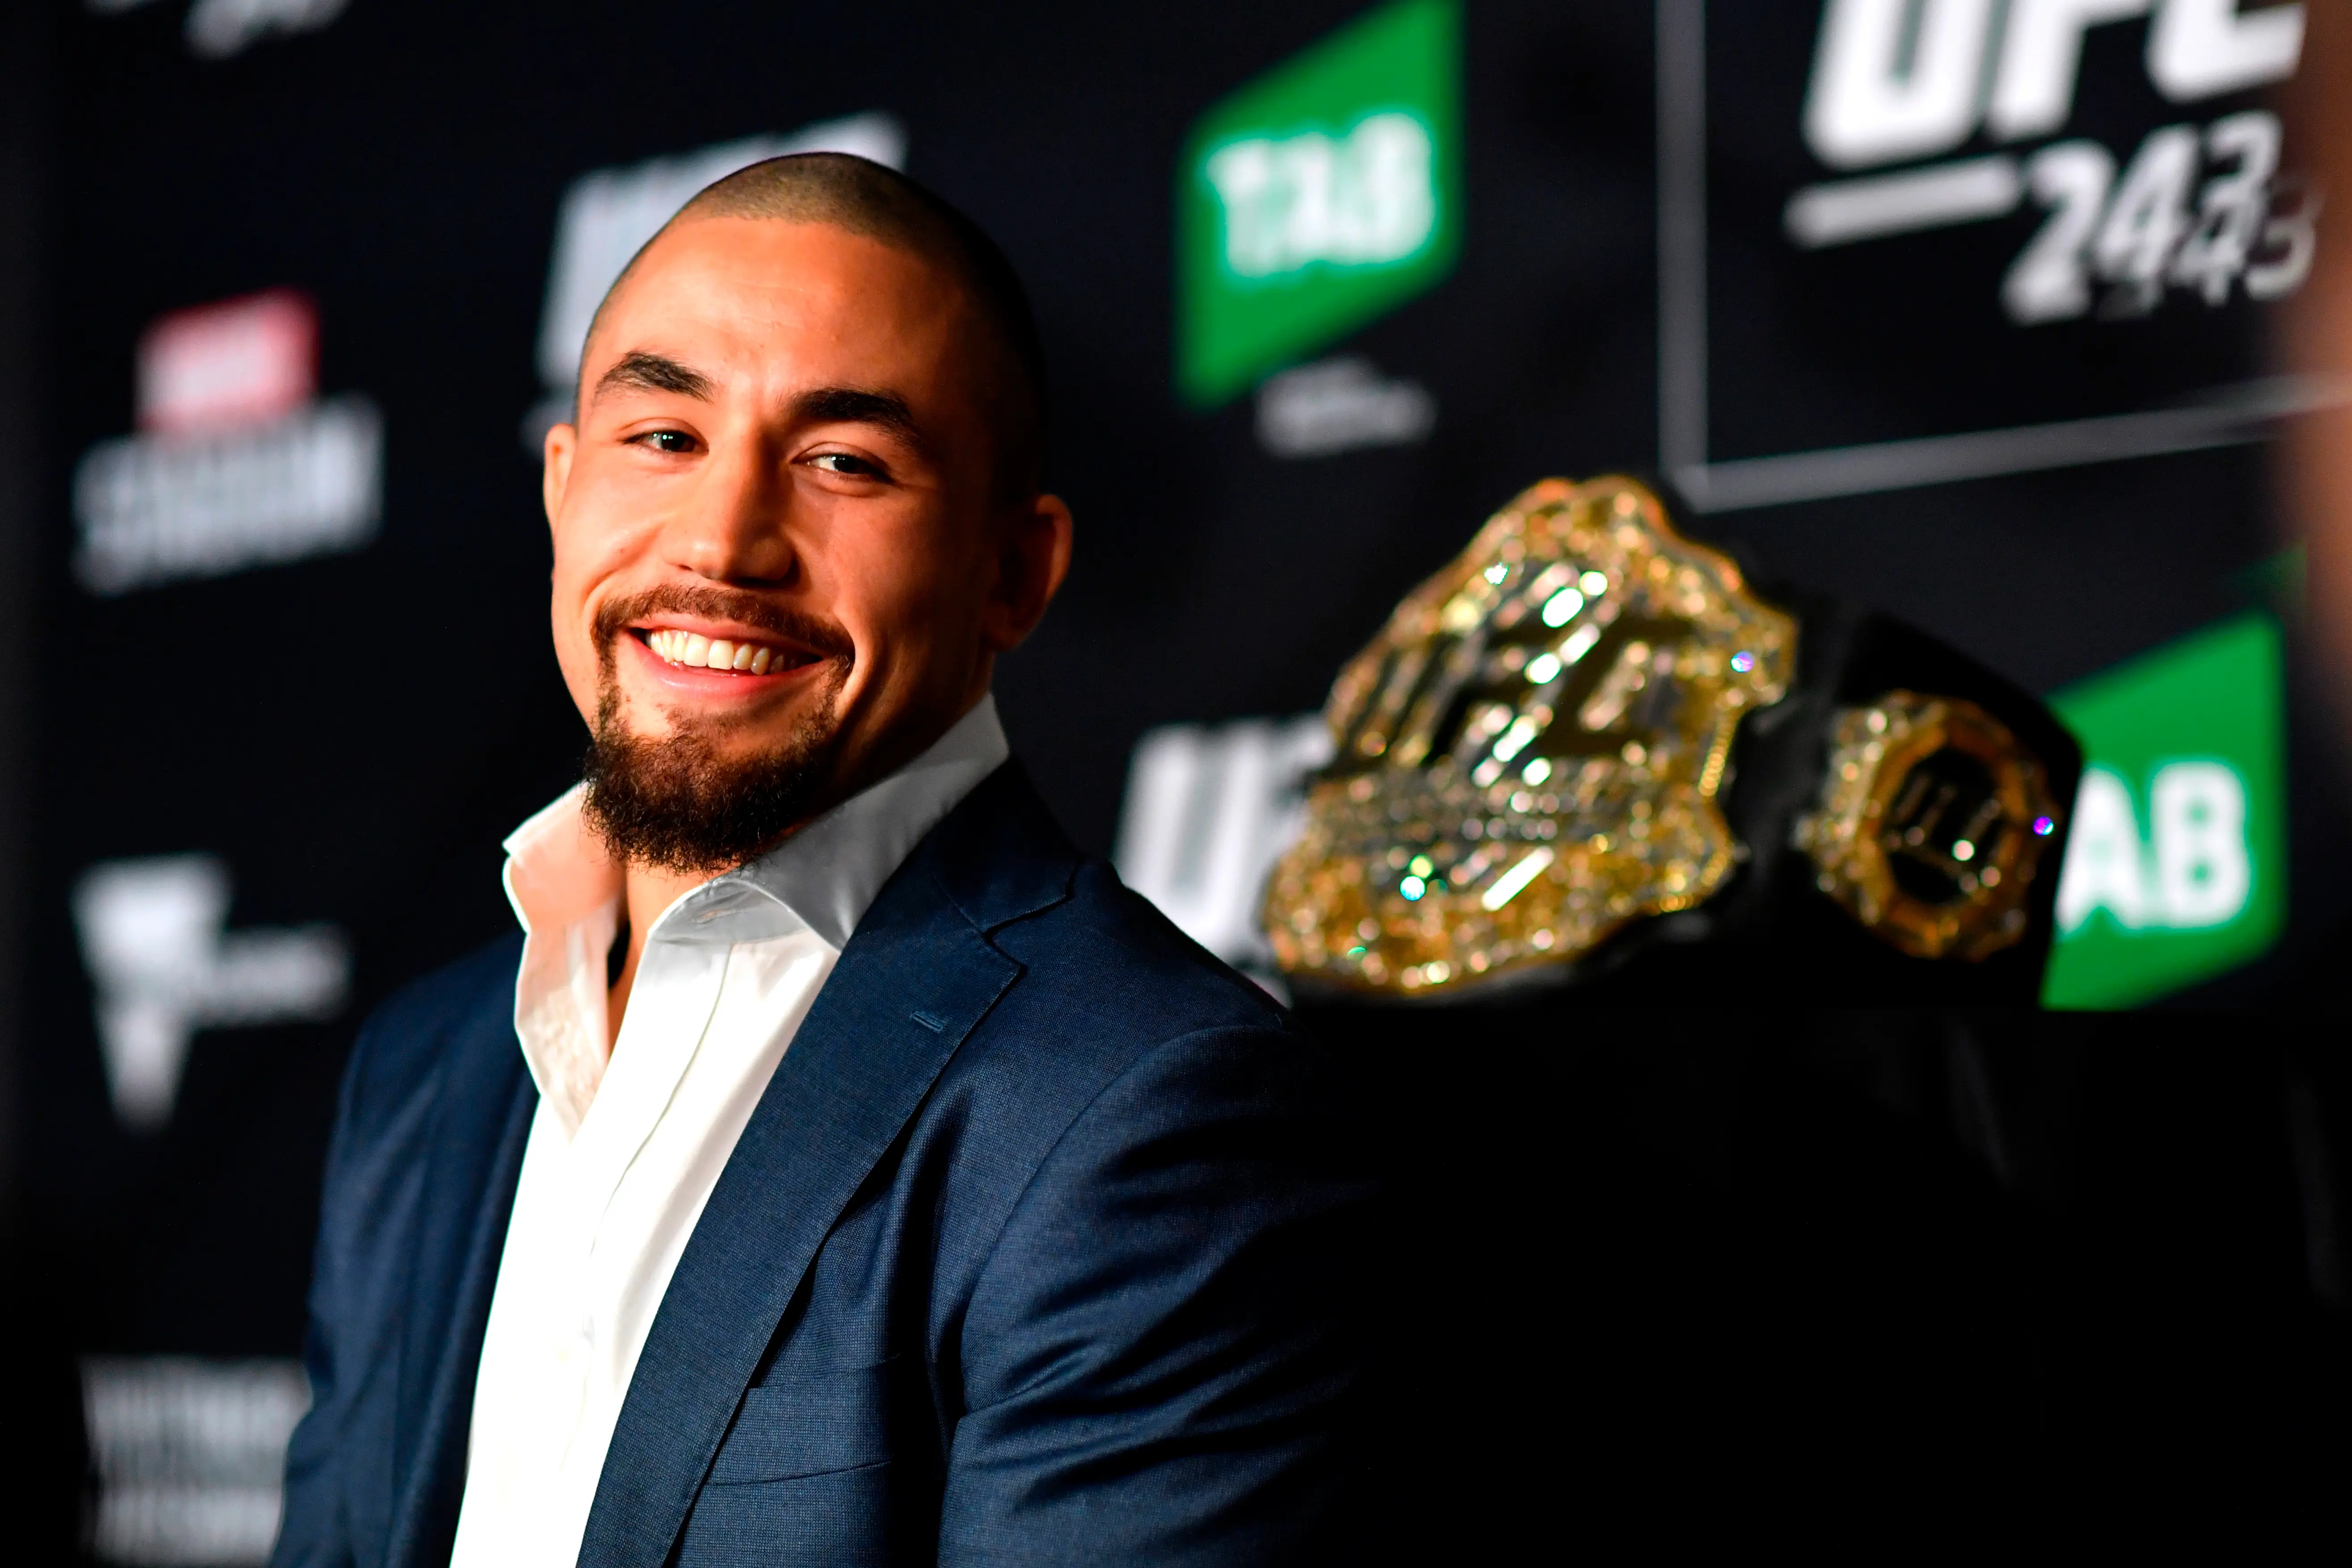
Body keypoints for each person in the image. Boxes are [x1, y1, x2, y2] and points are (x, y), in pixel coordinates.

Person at [271, 153, 1373, 1568]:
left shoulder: (1147, 1118)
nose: (724, 541)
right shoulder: (425, 1070)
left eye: (843, 462)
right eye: (661, 437)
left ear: (1014, 574)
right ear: (561, 491)